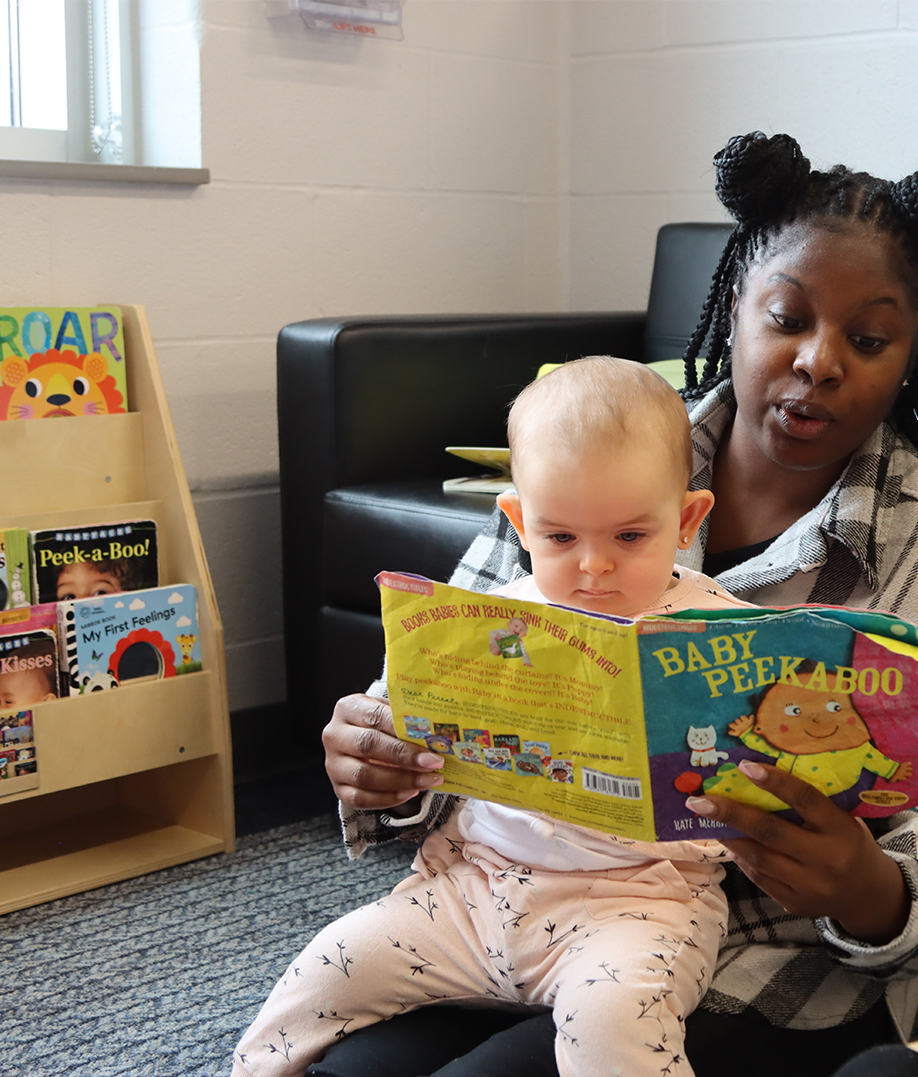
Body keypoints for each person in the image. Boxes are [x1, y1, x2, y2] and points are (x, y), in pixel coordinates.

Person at [313, 132, 918, 1077]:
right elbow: (443, 699)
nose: (819, 361)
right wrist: (386, 765)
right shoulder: (586, 470)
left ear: (910, 357)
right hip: (505, 910)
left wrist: (871, 888)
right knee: (344, 1066)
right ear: (733, 310)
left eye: (868, 340)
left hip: (752, 964)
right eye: (786, 318)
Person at [234, 358, 755, 1077]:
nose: (593, 567)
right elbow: (406, 721)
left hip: (639, 905)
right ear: (518, 521)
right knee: (324, 968)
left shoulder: (728, 638)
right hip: (472, 886)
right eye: (560, 537)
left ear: (688, 518)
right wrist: (389, 738)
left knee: (614, 1021)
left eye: (631, 537)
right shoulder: (490, 619)